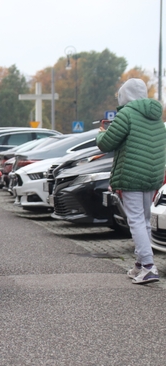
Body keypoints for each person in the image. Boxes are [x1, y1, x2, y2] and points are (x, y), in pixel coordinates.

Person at [97, 78, 166, 284]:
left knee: (135, 220)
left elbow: (107, 143)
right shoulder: (156, 117)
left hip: (132, 176)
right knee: (143, 221)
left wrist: (101, 134)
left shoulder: (126, 114)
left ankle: (148, 266)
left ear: (125, 95)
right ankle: (139, 264)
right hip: (152, 175)